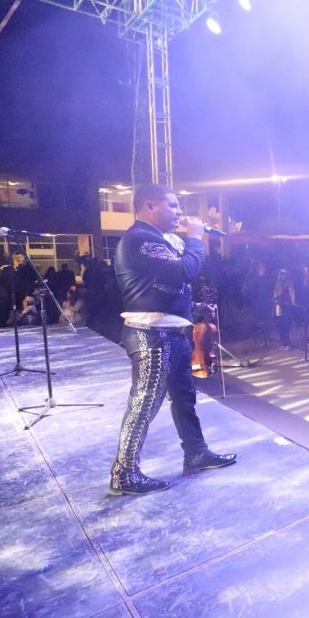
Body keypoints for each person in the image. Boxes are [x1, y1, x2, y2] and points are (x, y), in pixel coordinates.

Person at [110, 184, 236, 496]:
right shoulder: (139, 238)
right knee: (144, 402)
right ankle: (124, 473)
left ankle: (196, 452)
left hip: (174, 332)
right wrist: (195, 237)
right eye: (173, 205)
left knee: (184, 397)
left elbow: (176, 282)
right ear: (150, 206)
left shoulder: (163, 239)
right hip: (151, 334)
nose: (180, 212)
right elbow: (184, 271)